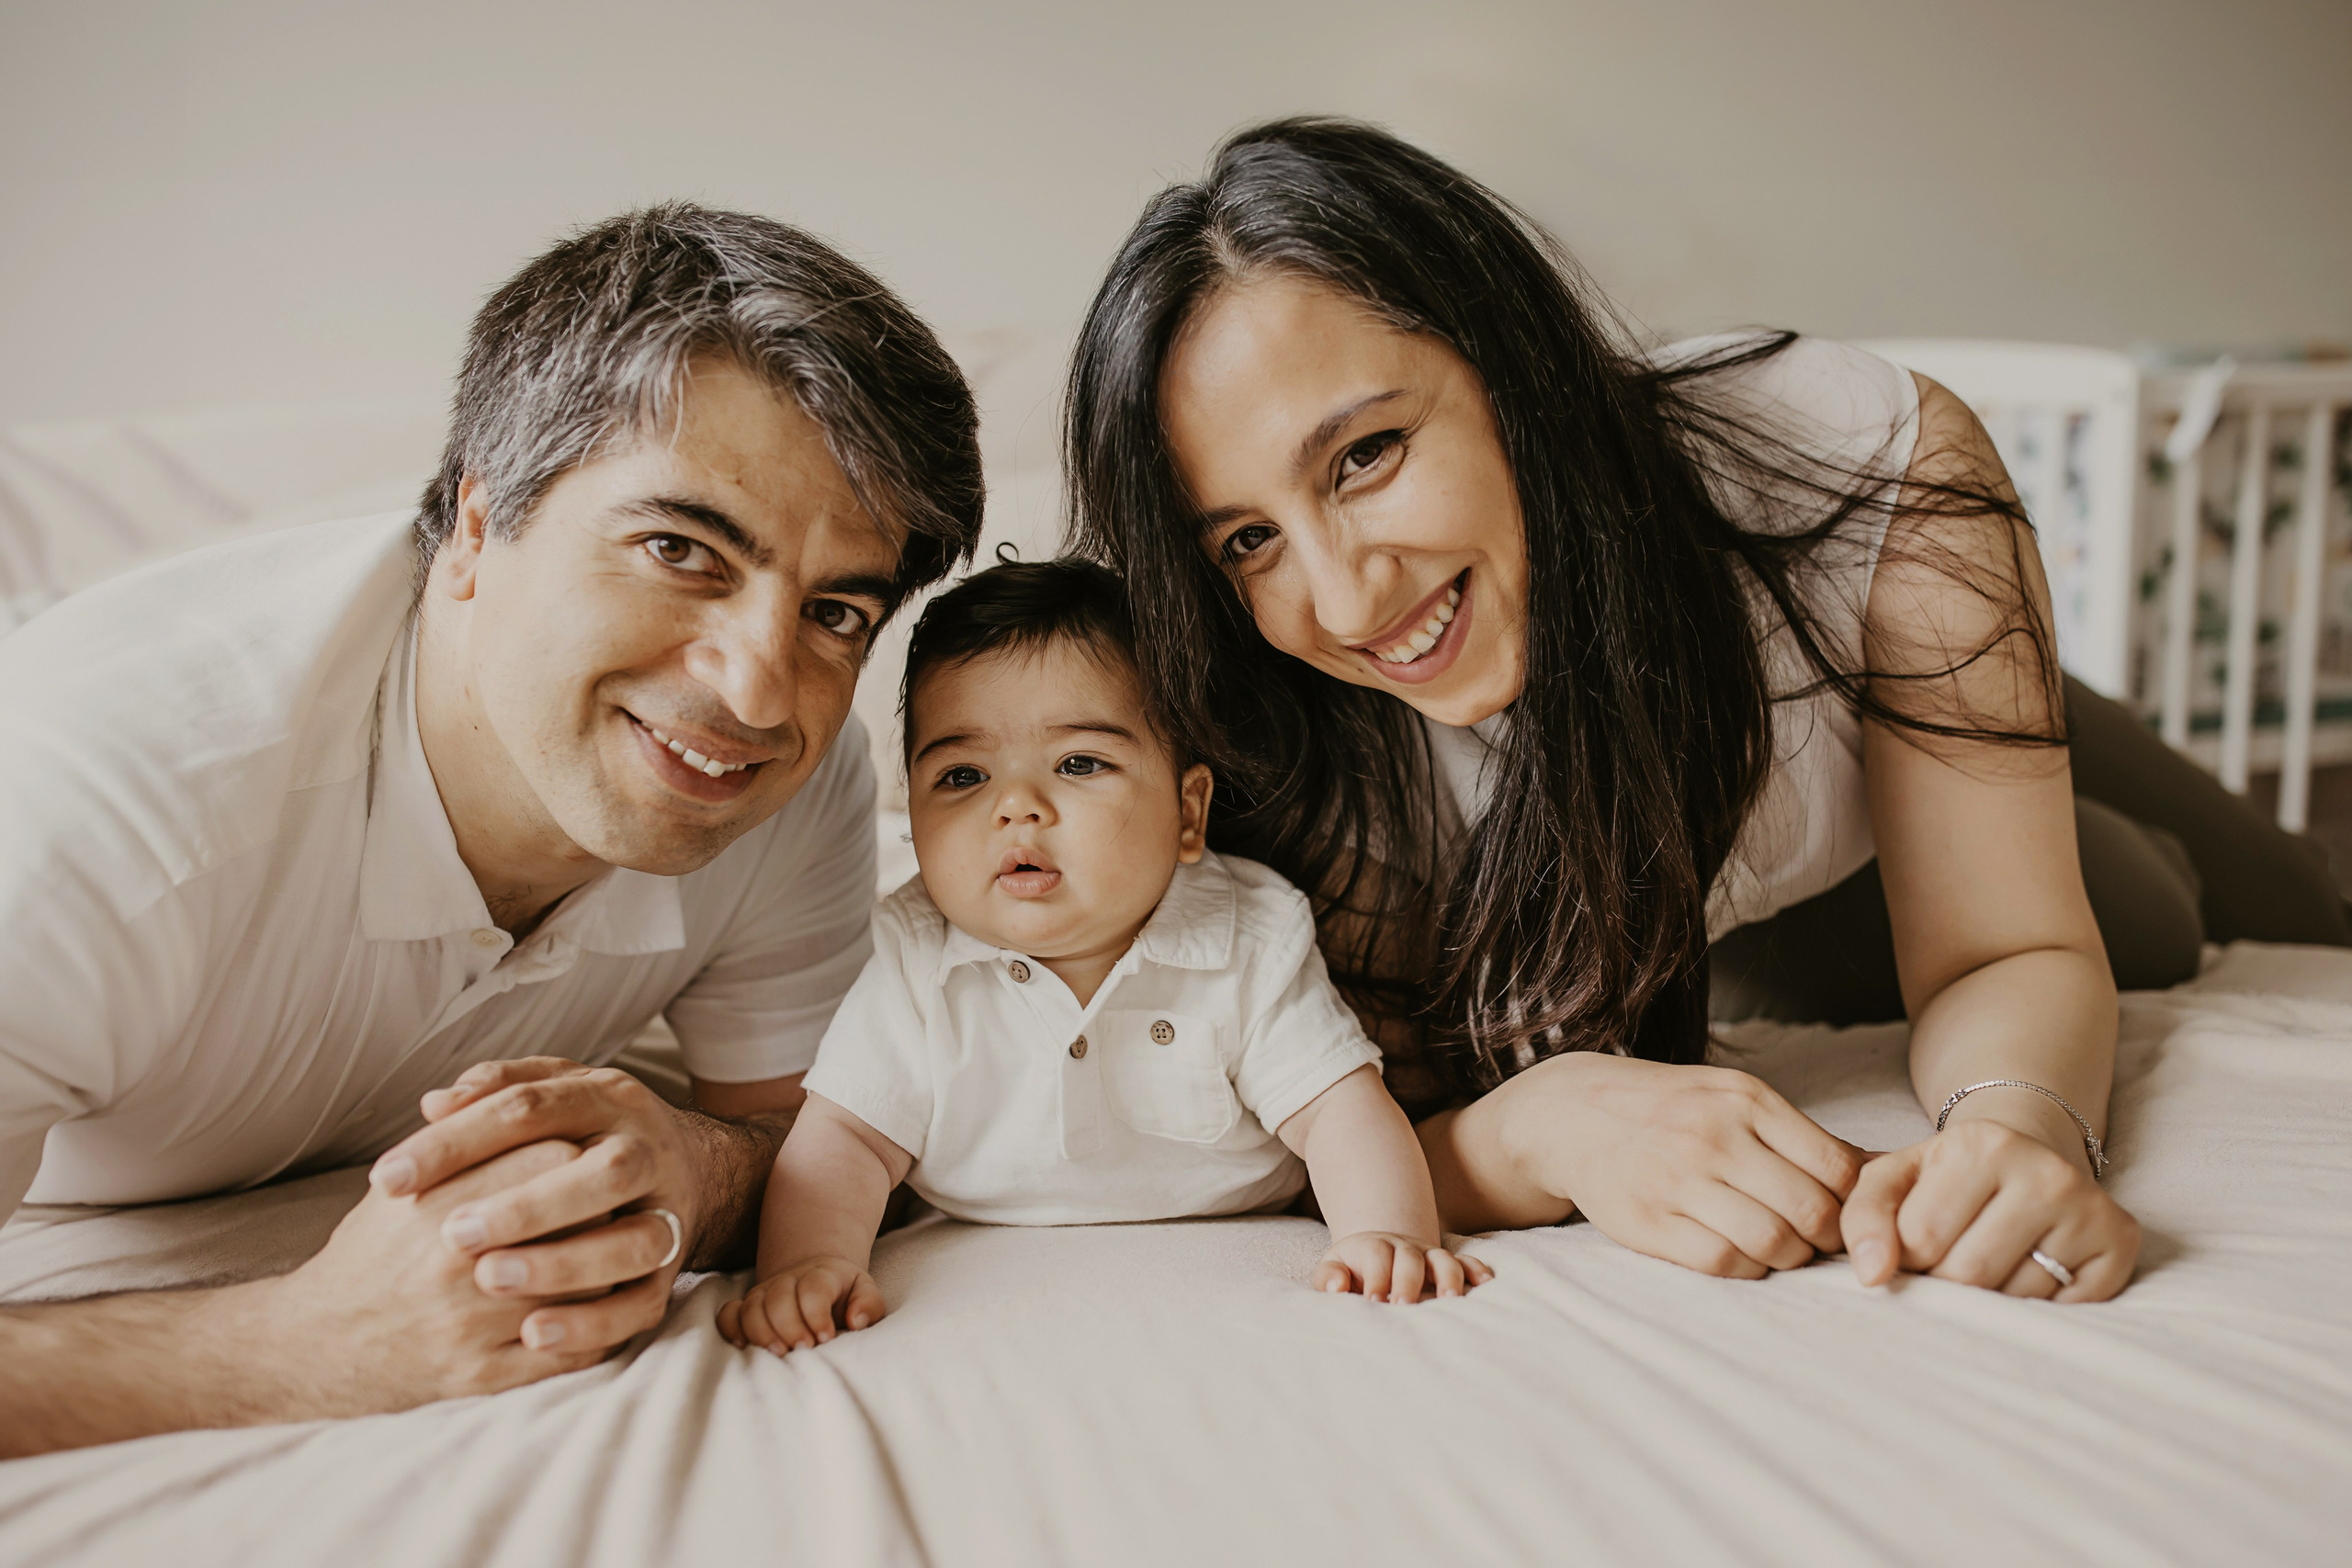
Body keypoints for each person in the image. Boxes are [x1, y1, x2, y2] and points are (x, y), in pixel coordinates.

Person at [1062, 118, 2350, 1306]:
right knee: (2144, 919)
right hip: (1714, 868)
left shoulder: (1857, 465)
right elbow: (1321, 1132)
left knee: (2238, 907)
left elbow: (2002, 946)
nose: (1344, 599)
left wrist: (2010, 1131)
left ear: (1511, 362)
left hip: (1873, 696)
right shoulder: (1293, 735)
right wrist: (1545, 1117)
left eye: (1366, 455)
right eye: (1244, 538)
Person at [0, 204, 984, 1455]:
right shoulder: (98, 800)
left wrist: (690, 1162)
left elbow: (810, 1132)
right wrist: (306, 1344)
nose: (755, 691)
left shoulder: (793, 772)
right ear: (474, 526)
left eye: (838, 611)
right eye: (679, 548)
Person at [718, 559, 1487, 1356]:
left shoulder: (1251, 935)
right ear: (912, 819)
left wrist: (1385, 1233)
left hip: (1227, 1253)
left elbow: (1339, 1110)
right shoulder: (918, 956)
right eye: (963, 775)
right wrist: (809, 1265)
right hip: (988, 1270)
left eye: (1079, 763)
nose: (1016, 806)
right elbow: (843, 1138)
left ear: (1189, 813)